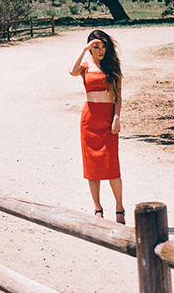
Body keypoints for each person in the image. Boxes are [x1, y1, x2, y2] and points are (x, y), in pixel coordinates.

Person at [70, 30, 125, 224]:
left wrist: (116, 118)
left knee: (112, 166)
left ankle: (120, 208)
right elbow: (72, 71)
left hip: (108, 119)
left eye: (103, 46)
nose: (101, 50)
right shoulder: (85, 66)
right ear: (90, 48)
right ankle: (97, 208)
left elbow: (117, 96)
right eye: (96, 47)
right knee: (92, 167)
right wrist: (84, 49)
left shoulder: (113, 66)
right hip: (89, 120)